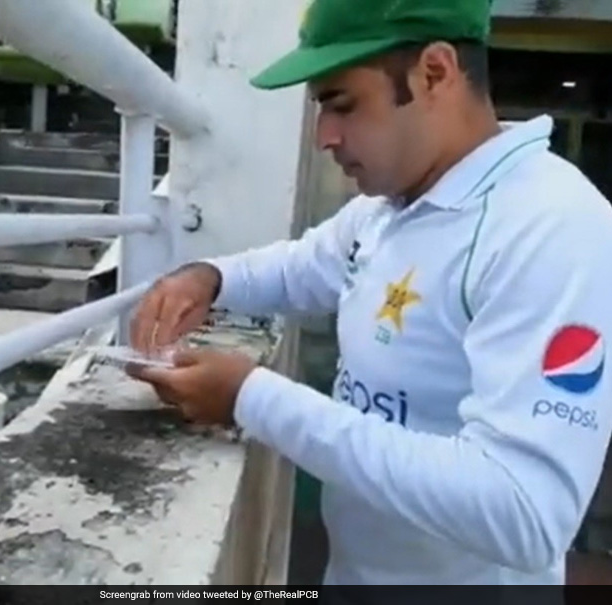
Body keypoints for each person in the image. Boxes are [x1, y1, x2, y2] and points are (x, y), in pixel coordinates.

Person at [126, 0, 612, 586]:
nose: (325, 136)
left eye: (343, 104)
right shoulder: (388, 210)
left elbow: (525, 512)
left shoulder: (553, 226)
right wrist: (207, 277)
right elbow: (300, 268)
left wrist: (252, 398)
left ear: (435, 72)